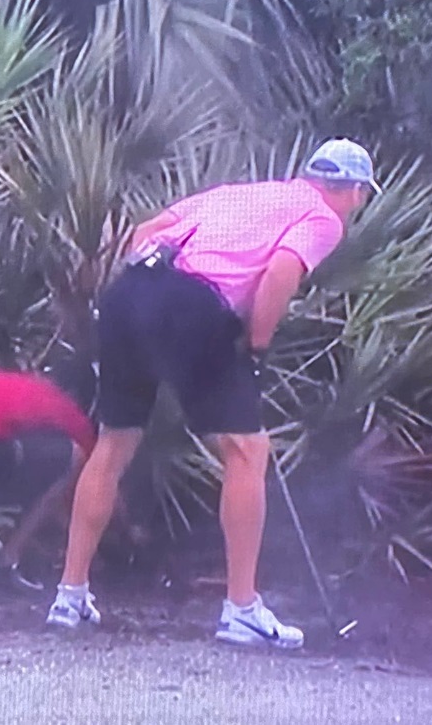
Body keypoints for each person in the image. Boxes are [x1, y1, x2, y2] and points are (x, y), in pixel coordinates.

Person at [43, 138, 380, 649]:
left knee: (113, 443)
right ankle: (242, 610)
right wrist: (257, 346)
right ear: (353, 192)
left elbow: (143, 234)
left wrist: (154, 302)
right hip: (190, 305)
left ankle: (69, 597)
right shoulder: (323, 218)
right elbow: (280, 275)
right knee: (247, 450)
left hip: (128, 295)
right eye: (361, 195)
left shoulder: (242, 194)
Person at [0, 366, 139, 588]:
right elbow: (100, 481)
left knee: (26, 458)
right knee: (73, 456)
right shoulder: (63, 408)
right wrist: (127, 531)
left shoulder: (12, 383)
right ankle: (6, 563)